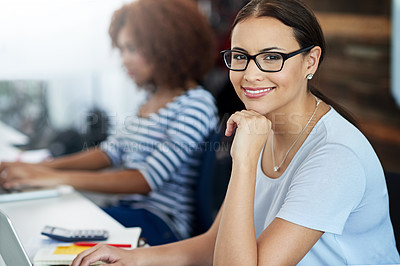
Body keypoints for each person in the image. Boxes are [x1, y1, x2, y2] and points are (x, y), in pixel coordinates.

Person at [70, 0, 400, 265]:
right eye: (240, 57)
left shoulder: (334, 157)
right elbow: (214, 244)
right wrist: (131, 258)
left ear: (311, 61)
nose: (250, 74)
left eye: (272, 58)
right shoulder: (262, 127)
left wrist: (243, 160)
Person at [0, 0, 218, 246]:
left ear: (165, 46)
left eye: (132, 49)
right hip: (129, 212)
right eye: (122, 49)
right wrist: (43, 168)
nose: (124, 60)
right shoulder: (150, 101)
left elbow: (145, 180)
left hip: (161, 225)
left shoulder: (196, 104)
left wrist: (50, 177)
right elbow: (109, 152)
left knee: (50, 239)